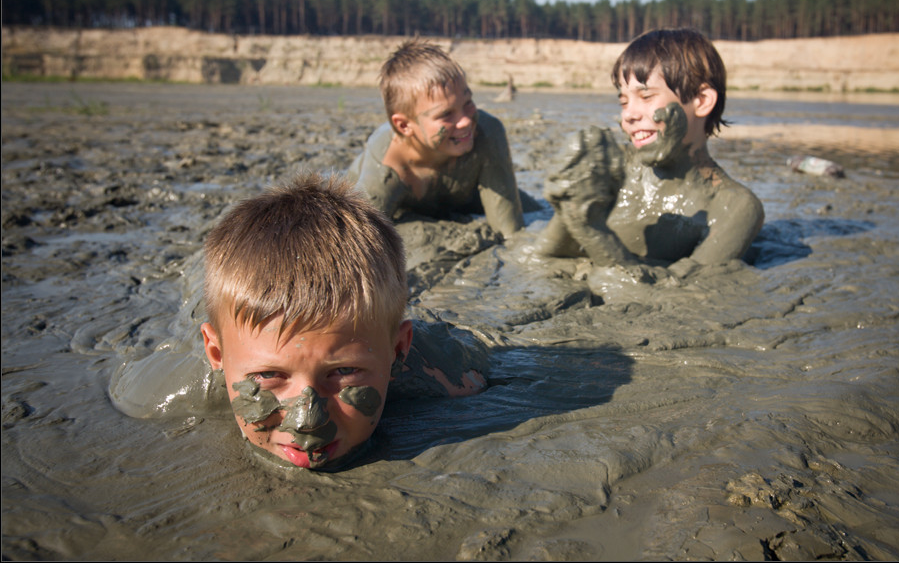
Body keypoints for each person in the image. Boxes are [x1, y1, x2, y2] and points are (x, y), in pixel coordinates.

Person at [199, 172, 488, 471]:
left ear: (398, 350)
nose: (307, 421)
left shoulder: (451, 376)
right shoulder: (167, 394)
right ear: (217, 354)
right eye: (268, 375)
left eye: (344, 371)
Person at [535, 28, 764, 279]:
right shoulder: (611, 170)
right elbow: (539, 259)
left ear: (701, 100)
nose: (628, 115)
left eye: (646, 96)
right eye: (624, 101)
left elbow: (676, 297)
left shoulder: (736, 207)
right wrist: (569, 207)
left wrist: (592, 230)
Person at [344, 39, 527, 239]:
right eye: (446, 114)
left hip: (464, 198)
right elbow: (358, 244)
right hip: (403, 209)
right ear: (404, 126)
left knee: (535, 210)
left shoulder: (486, 131)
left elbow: (510, 233)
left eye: (468, 102)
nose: (465, 120)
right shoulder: (388, 162)